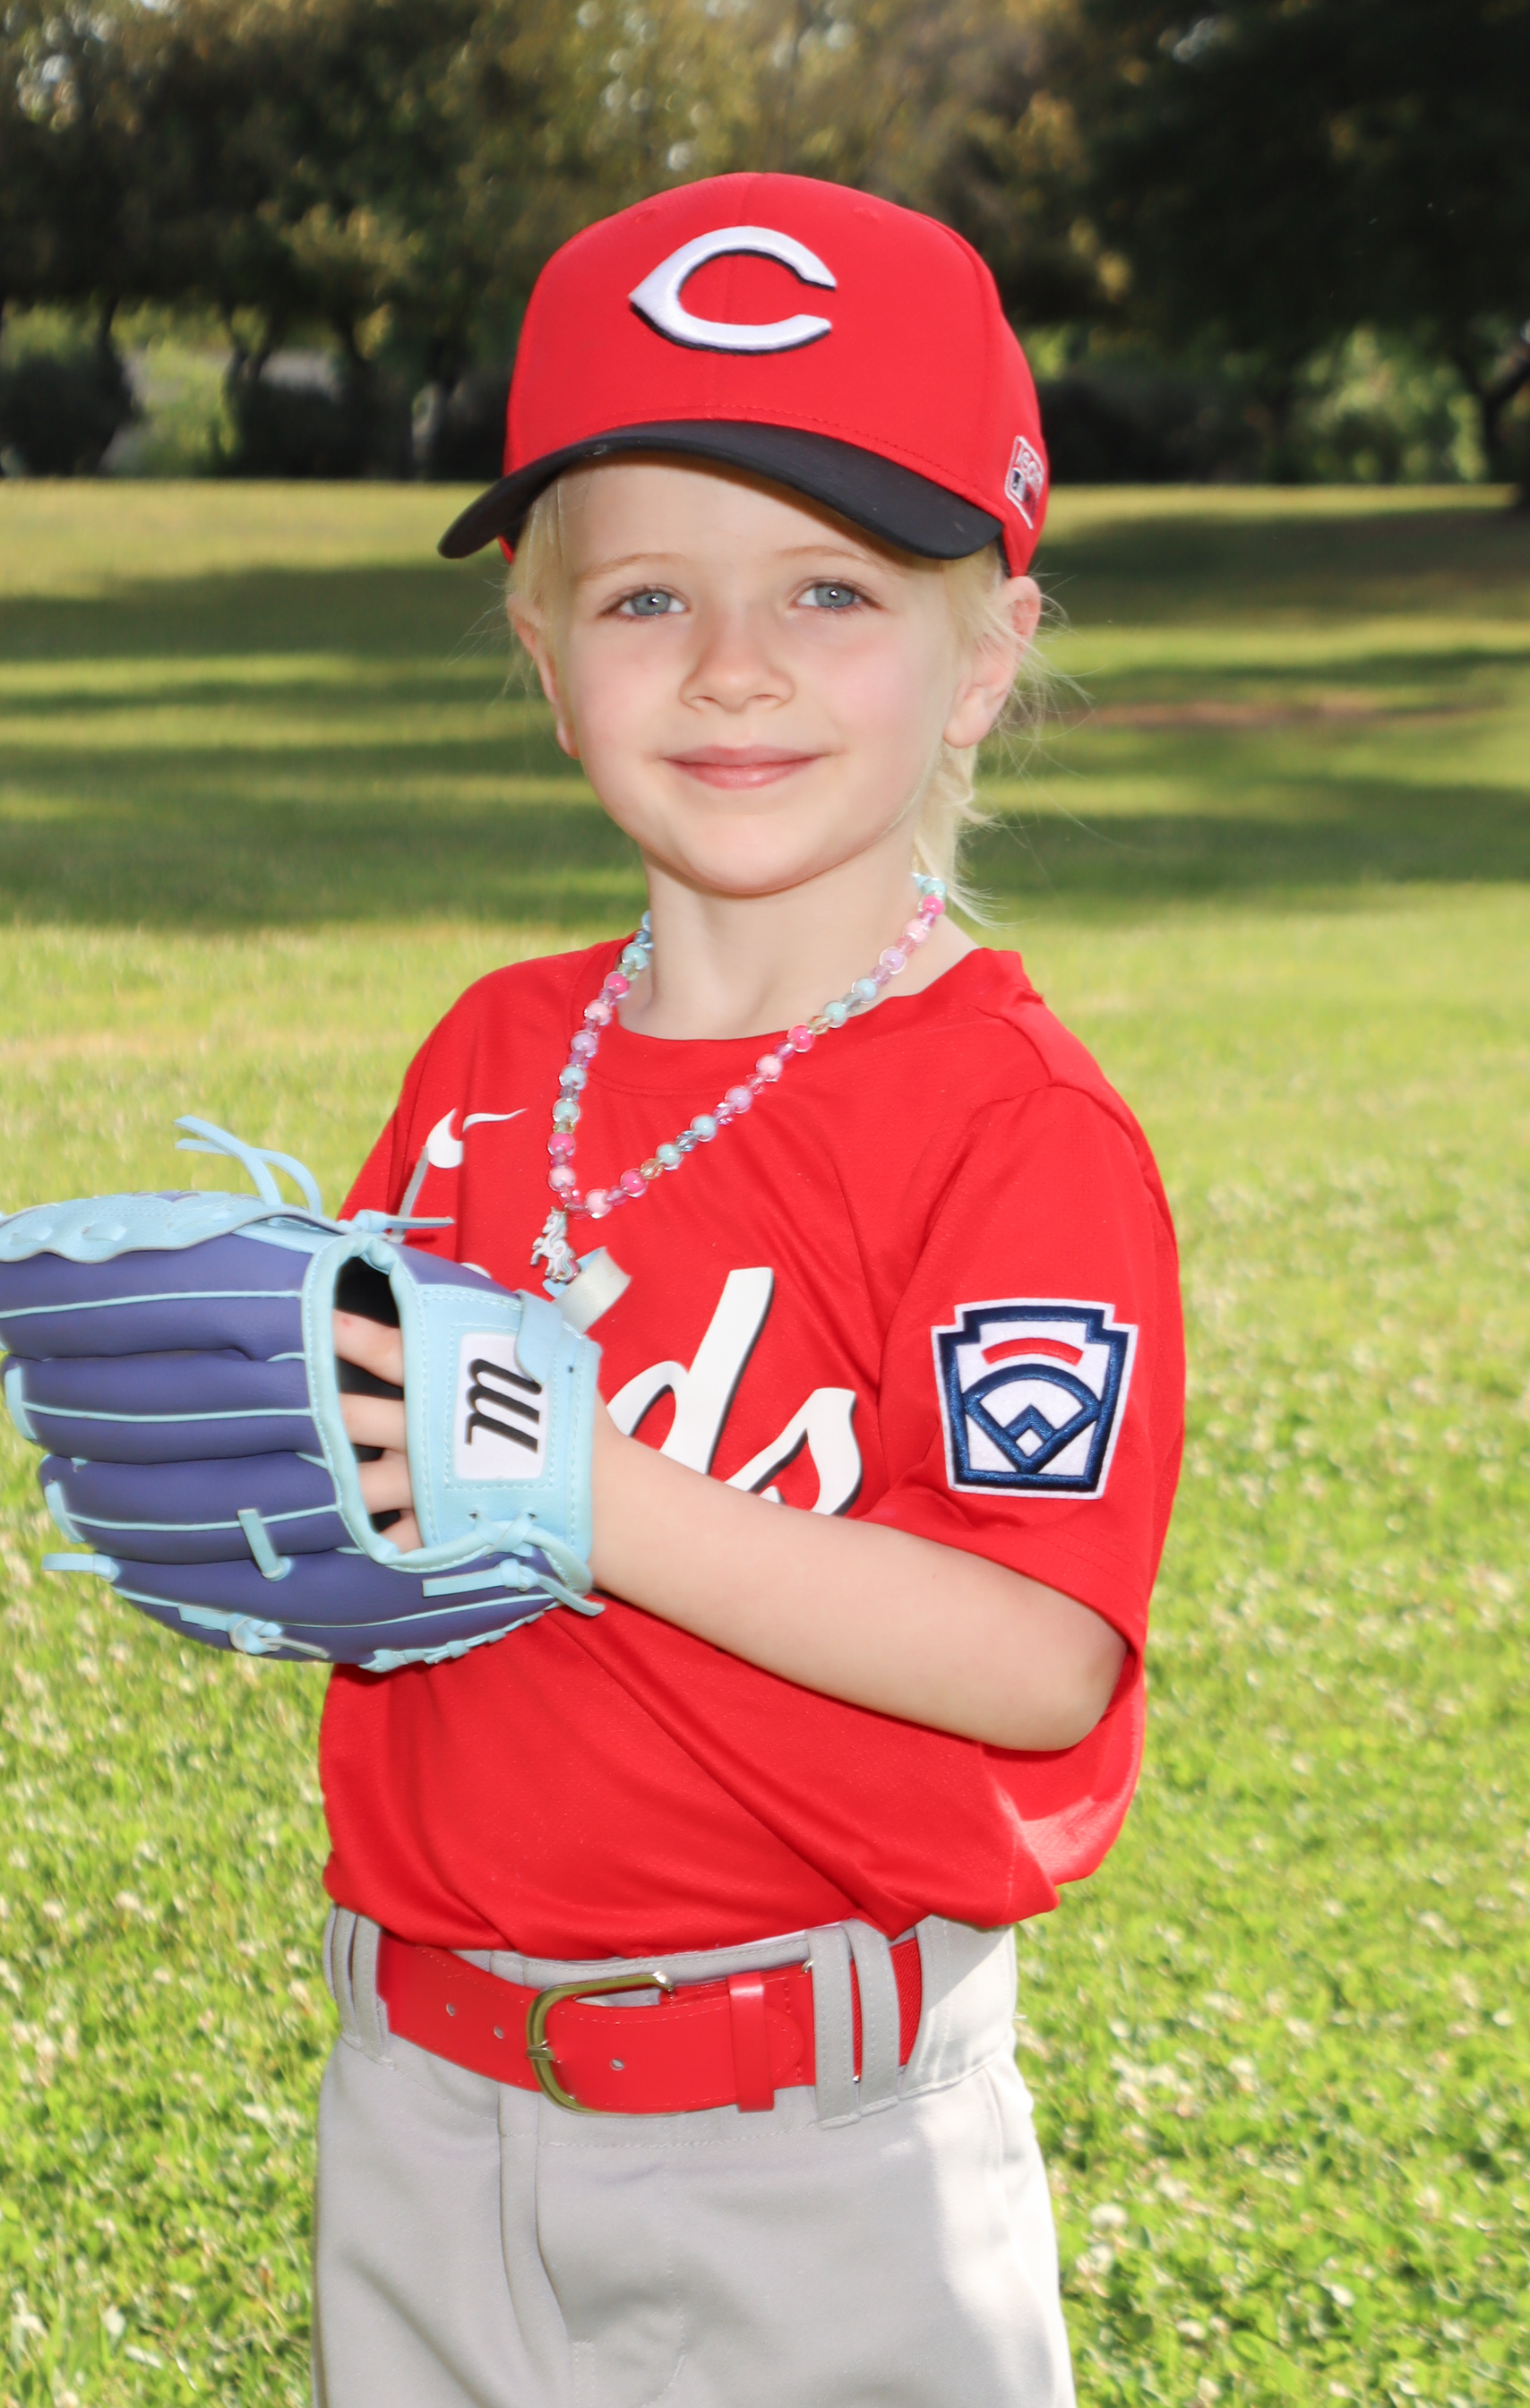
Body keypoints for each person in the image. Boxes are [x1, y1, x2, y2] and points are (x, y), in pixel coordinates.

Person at [312, 172, 1185, 2408]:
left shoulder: (1011, 1126)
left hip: (825, 2147)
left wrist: (578, 1483)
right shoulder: (489, 1058)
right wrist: (257, 1474)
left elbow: (1037, 1648)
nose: (730, 662)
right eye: (644, 595)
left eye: (830, 587)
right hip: (426, 2107)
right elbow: (377, 1528)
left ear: (985, 654)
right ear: (544, 657)